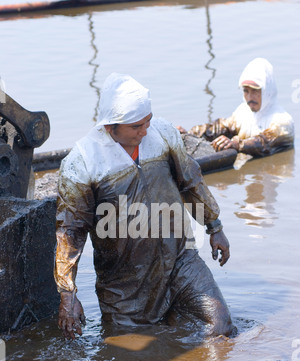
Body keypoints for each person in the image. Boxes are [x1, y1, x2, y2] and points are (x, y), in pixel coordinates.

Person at [55, 73, 234, 340]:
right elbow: (71, 231)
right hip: (124, 283)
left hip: (179, 261)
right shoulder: (82, 162)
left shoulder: (162, 135)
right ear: (110, 126)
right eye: (136, 126)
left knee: (221, 326)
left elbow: (191, 180)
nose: (144, 131)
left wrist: (214, 226)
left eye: (147, 121)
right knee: (131, 357)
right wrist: (68, 293)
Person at [178, 58, 294, 157]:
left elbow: (265, 142)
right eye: (246, 91)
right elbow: (221, 128)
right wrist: (190, 134)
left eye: (255, 91)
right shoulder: (243, 112)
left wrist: (237, 144)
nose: (250, 97)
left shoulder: (283, 121)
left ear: (267, 90)